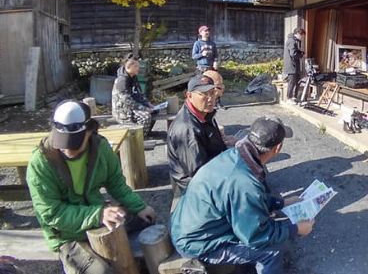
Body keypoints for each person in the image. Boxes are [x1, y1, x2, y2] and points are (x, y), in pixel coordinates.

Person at [171, 116, 315, 274]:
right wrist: (295, 228)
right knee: (271, 251)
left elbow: (249, 200)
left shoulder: (234, 156)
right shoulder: (245, 181)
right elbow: (256, 236)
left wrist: (282, 203)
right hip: (197, 243)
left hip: (188, 226)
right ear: (278, 148)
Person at [27, 100, 156, 274]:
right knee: (101, 272)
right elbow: (52, 213)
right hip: (67, 234)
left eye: (74, 143)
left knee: (148, 224)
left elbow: (115, 182)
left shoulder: (100, 147)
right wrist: (98, 214)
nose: (67, 149)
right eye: (63, 143)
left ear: (89, 131)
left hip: (97, 218)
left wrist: (138, 206)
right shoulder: (41, 163)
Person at [167, 74, 228, 195]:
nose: (210, 98)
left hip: (209, 171)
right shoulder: (187, 129)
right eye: (203, 94)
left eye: (212, 93)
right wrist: (229, 161)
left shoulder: (204, 114)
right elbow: (198, 172)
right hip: (197, 186)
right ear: (189, 96)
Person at [112, 54, 155, 136]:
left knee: (154, 111)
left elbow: (140, 94)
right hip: (122, 110)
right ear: (128, 67)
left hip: (134, 106)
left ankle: (147, 133)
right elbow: (126, 100)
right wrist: (143, 108)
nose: (138, 69)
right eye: (136, 66)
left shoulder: (133, 77)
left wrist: (148, 104)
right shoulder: (122, 81)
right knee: (146, 116)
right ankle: (140, 139)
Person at [282, 28, 305, 104]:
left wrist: (300, 52)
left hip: (294, 65)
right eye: (302, 36)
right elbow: (293, 54)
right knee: (292, 82)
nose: (302, 38)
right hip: (291, 66)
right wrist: (301, 55)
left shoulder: (293, 41)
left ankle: (294, 97)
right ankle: (289, 98)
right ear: (298, 33)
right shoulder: (291, 41)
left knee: (297, 81)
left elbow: (294, 51)